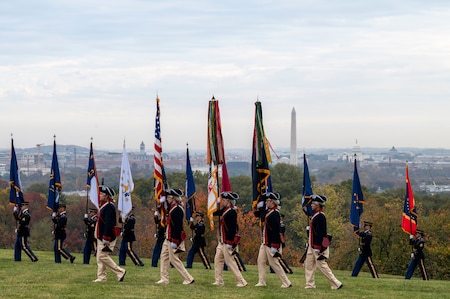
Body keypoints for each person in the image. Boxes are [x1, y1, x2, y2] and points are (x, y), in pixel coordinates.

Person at [156, 188, 194, 285]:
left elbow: (178, 226)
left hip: (174, 238)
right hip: (168, 237)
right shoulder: (172, 207)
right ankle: (164, 278)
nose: (167, 199)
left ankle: (188, 278)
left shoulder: (177, 209)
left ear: (173, 198)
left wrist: (175, 240)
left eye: (169, 197)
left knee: (174, 259)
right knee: (164, 257)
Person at [304, 195, 343, 290]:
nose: (311, 205)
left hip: (317, 245)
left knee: (321, 265)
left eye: (313, 203)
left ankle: (336, 283)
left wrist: (318, 247)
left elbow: (321, 233)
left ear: (318, 205)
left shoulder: (321, 216)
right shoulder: (315, 215)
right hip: (311, 244)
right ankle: (310, 284)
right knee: (308, 264)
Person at [255, 192, 292, 288]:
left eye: (268, 201)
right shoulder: (269, 212)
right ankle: (261, 281)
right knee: (260, 261)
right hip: (265, 242)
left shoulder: (275, 213)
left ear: (272, 202)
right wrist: (260, 207)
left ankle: (286, 282)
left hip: (271, 243)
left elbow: (276, 230)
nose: (266, 202)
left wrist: (275, 245)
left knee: (274, 263)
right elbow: (260, 216)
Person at [212, 191, 248, 287]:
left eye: (223, 200)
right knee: (217, 260)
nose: (222, 201)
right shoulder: (224, 210)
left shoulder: (231, 211)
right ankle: (219, 280)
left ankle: (241, 281)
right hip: (222, 241)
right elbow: (214, 213)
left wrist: (230, 242)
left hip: (228, 241)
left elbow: (232, 228)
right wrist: (213, 204)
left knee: (230, 262)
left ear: (228, 201)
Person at [92, 185, 127, 283]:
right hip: (101, 235)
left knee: (102, 256)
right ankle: (101, 277)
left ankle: (120, 271)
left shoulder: (109, 206)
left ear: (107, 196)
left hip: (106, 236)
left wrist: (106, 238)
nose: (100, 195)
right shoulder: (105, 205)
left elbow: (108, 223)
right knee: (100, 257)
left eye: (102, 194)